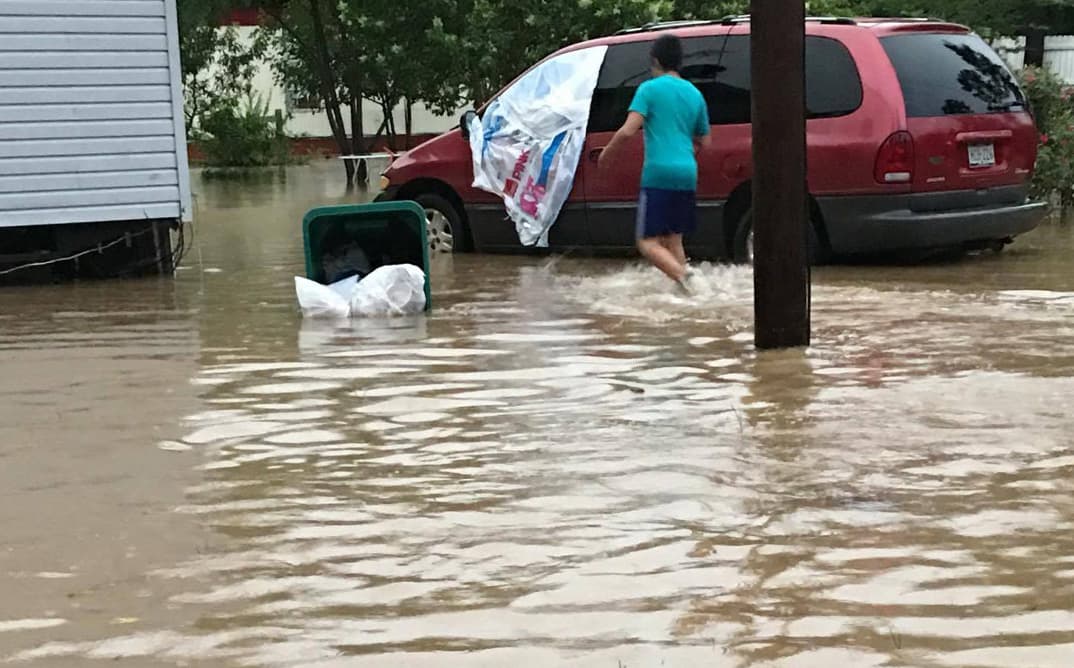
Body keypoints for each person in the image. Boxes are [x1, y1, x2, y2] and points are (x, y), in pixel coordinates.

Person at [598, 34, 711, 292]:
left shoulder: (649, 89)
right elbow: (705, 141)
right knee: (673, 241)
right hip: (687, 173)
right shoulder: (695, 94)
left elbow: (628, 131)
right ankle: (686, 296)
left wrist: (607, 154)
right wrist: (685, 154)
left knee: (647, 243)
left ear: (655, 60)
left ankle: (686, 278)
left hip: (659, 174)